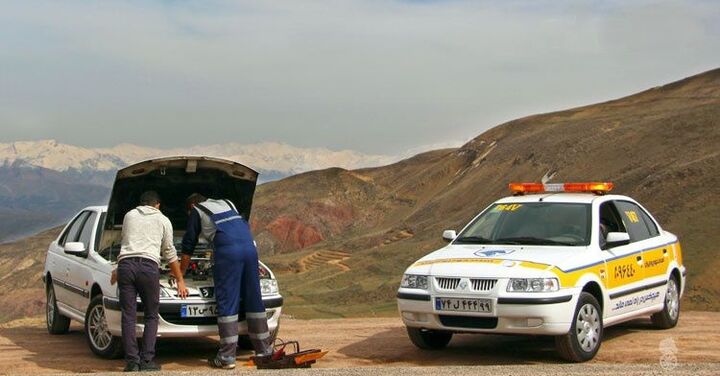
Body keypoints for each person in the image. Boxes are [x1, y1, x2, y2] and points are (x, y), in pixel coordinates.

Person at [181, 193, 273, 369]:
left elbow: (188, 244)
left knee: (228, 301)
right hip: (250, 249)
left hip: (228, 252)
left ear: (191, 206)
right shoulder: (228, 203)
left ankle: (226, 357)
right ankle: (264, 351)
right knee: (254, 299)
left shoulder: (197, 210)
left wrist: (180, 273)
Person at [111, 191, 189, 372]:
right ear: (158, 205)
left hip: (126, 266)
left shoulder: (129, 215)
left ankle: (131, 362)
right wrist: (180, 279)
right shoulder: (163, 220)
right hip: (148, 268)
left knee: (128, 315)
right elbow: (169, 252)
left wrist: (117, 269)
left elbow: (126, 243)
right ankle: (147, 361)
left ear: (141, 203)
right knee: (151, 315)